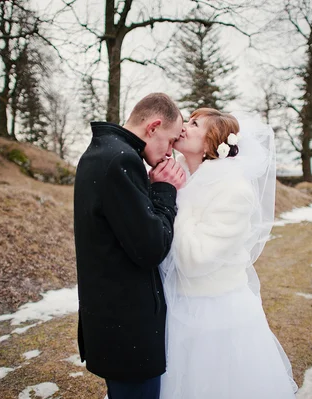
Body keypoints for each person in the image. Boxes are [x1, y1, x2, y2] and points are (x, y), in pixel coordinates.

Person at [159, 108, 298, 398]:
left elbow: (193, 260)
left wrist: (173, 198)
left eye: (195, 124)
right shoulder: (175, 172)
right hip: (175, 306)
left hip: (214, 314)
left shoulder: (234, 192)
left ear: (211, 143)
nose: (184, 126)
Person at [73, 93, 186, 399]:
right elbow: (151, 248)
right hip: (127, 327)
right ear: (154, 127)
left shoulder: (104, 152)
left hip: (112, 319)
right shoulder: (120, 159)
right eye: (171, 140)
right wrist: (164, 191)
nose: (171, 151)